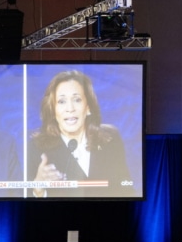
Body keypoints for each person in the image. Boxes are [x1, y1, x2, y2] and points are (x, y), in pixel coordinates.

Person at [28, 69, 133, 198]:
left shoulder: (110, 137)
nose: (70, 109)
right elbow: (26, 205)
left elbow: (125, 188)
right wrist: (38, 189)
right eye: (61, 101)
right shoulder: (38, 147)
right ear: (52, 110)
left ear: (88, 107)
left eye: (77, 100)